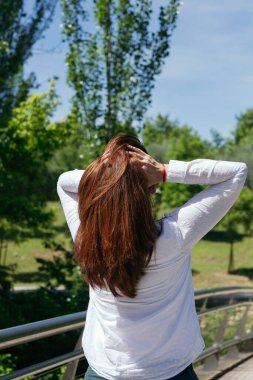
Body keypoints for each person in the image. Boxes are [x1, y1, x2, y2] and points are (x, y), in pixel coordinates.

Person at [57, 135, 248, 380]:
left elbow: (64, 181)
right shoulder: (174, 236)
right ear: (153, 186)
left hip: (104, 372)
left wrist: (111, 171)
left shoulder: (86, 237)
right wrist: (164, 171)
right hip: (170, 372)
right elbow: (236, 173)